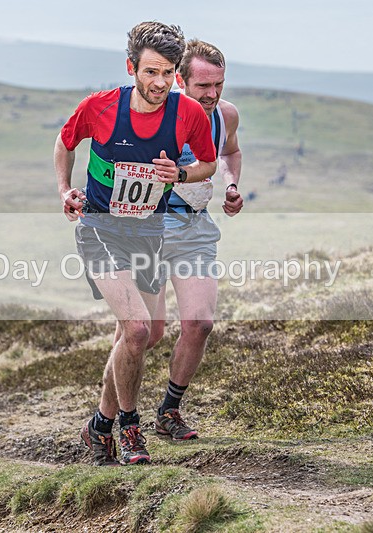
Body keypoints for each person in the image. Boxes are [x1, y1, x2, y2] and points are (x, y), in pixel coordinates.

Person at [55, 21, 217, 466]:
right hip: (100, 229)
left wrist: (179, 174)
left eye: (167, 73)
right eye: (150, 72)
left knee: (145, 334)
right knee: (138, 329)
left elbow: (207, 164)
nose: (159, 83)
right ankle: (130, 427)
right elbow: (65, 143)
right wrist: (64, 190)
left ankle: (99, 425)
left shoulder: (187, 114)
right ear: (131, 68)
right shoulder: (101, 107)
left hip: (149, 231)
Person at [148, 39, 243, 440]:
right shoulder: (155, 115)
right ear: (180, 80)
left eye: (218, 84)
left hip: (195, 228)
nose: (212, 94)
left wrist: (232, 184)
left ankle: (169, 411)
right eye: (203, 85)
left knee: (200, 323)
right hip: (150, 229)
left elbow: (230, 152)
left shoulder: (226, 115)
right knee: (145, 333)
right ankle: (110, 415)